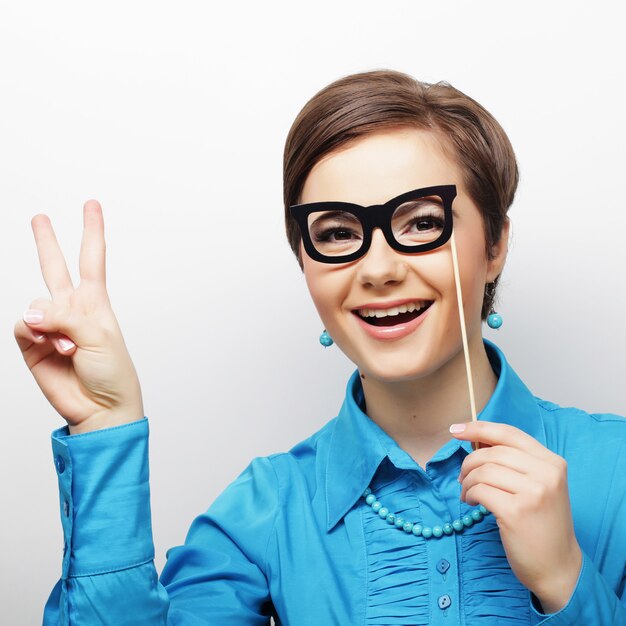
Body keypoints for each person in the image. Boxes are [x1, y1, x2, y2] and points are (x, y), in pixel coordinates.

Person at [15, 69, 625, 625]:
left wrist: (565, 580)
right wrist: (105, 427)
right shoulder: (260, 513)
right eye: (337, 232)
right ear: (305, 262)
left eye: (420, 223)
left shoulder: (616, 473)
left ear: (494, 244)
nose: (378, 268)